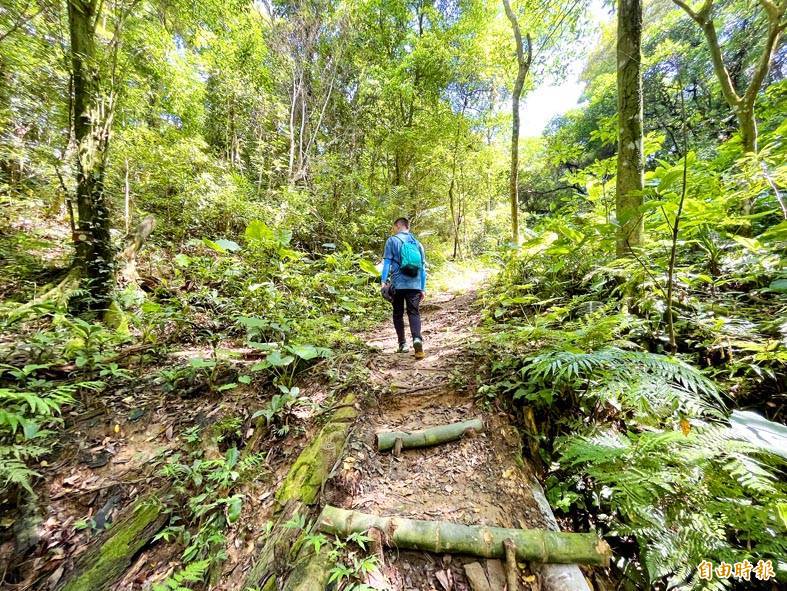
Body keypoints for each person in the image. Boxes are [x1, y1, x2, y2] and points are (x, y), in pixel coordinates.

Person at [380, 217, 427, 359]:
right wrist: (422, 288)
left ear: (398, 226)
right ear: (408, 227)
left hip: (398, 284)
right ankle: (417, 341)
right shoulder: (417, 244)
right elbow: (423, 268)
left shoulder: (392, 241)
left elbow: (387, 263)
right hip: (415, 284)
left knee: (398, 313)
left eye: (394, 227)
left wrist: (383, 281)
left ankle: (403, 344)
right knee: (414, 312)